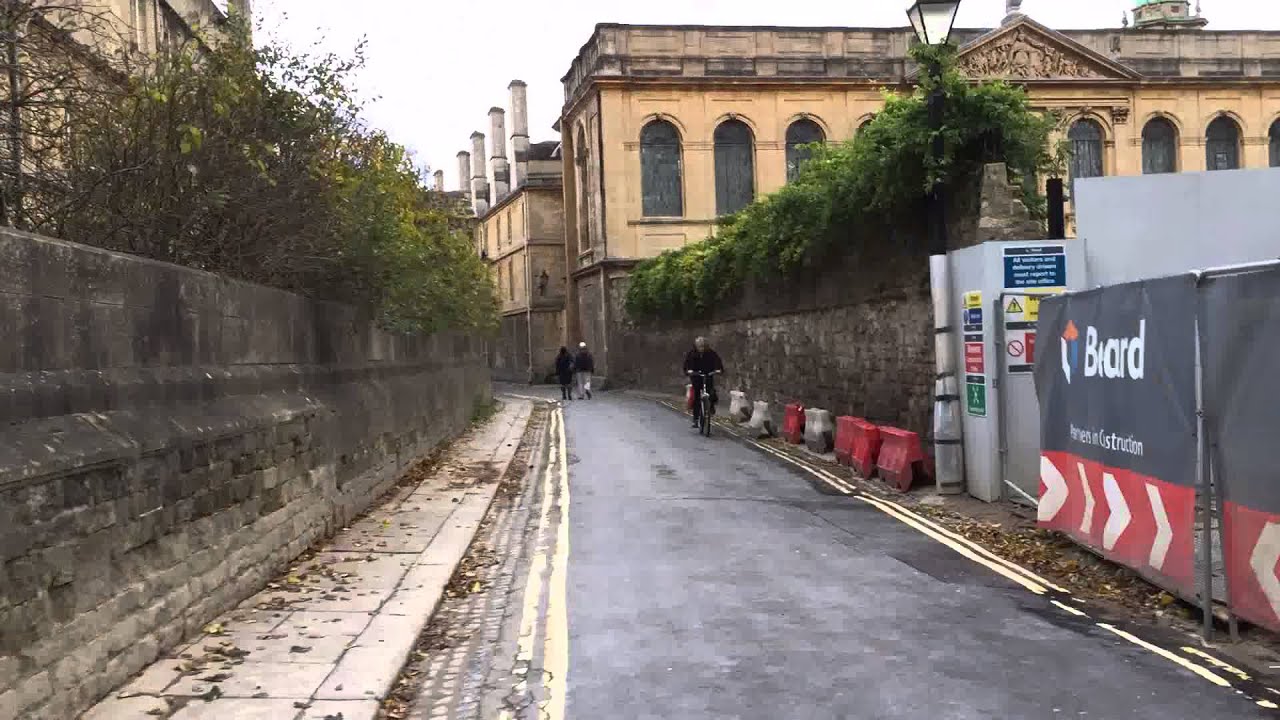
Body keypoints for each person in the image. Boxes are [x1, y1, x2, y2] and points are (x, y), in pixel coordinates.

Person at [683, 336, 724, 428]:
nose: (701, 348)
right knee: (697, 397)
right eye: (699, 346)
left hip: (708, 375)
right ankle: (696, 418)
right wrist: (689, 371)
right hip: (696, 377)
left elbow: (718, 362)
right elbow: (686, 365)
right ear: (696, 346)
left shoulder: (711, 353)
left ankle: (711, 406)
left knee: (711, 393)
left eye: (703, 346)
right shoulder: (692, 354)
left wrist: (718, 369)